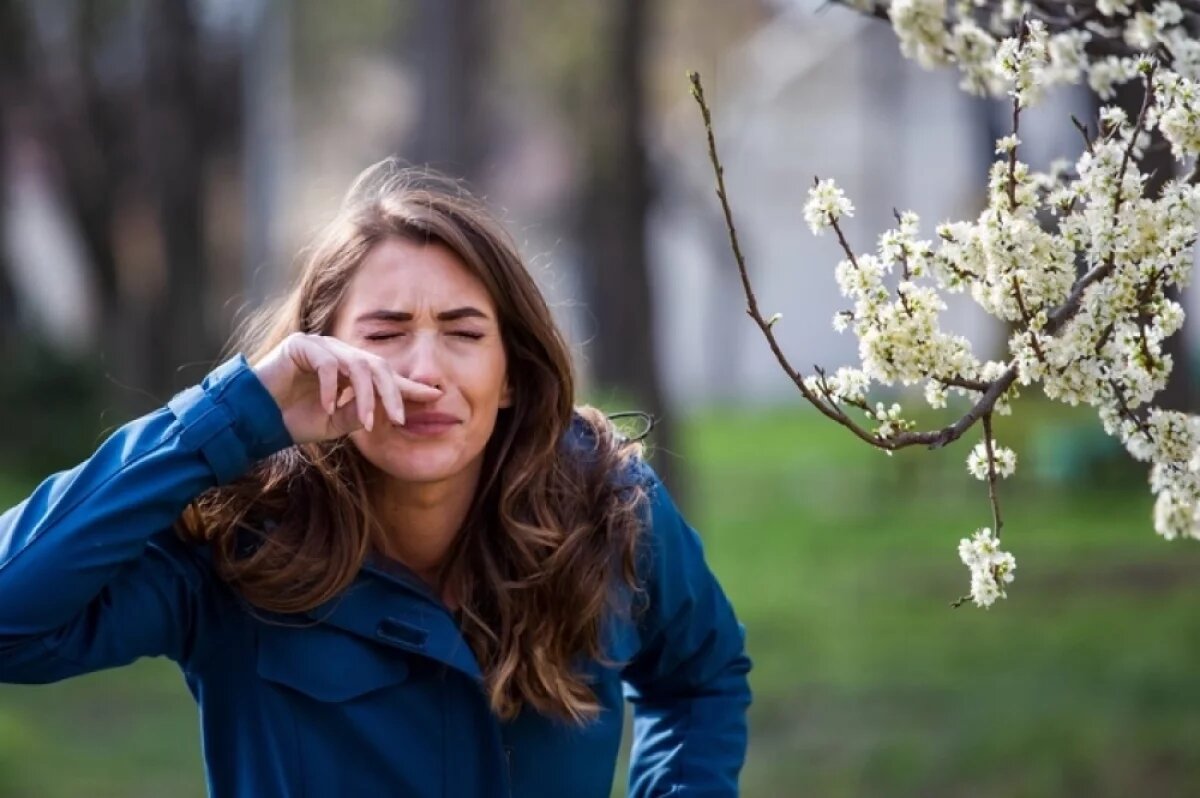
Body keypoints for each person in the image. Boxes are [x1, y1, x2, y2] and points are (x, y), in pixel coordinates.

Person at [0, 158, 751, 797]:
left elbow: (701, 675)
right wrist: (234, 414)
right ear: (316, 361)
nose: (422, 372)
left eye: (463, 334)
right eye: (384, 335)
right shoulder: (236, 538)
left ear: (512, 375)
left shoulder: (604, 504)